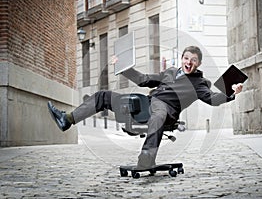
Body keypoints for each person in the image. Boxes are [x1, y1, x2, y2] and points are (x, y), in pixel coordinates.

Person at [48, 46, 243, 169]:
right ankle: (68, 119)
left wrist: (231, 93)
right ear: (181, 59)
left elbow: (212, 99)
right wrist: (124, 67)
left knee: (158, 115)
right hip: (147, 103)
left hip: (166, 111)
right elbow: (143, 80)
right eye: (186, 58)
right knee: (103, 96)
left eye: (193, 60)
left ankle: (147, 157)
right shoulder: (169, 72)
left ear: (198, 63)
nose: (189, 63)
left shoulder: (200, 83)